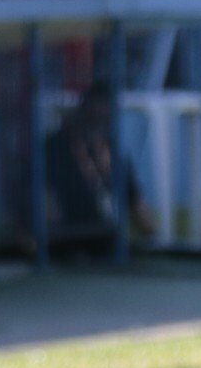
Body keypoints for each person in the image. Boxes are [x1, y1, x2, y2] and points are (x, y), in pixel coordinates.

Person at [43, 83, 156, 253]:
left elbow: (138, 208)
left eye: (104, 116)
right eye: (93, 115)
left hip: (106, 243)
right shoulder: (55, 149)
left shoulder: (114, 155)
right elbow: (42, 202)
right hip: (64, 244)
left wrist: (154, 238)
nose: (98, 122)